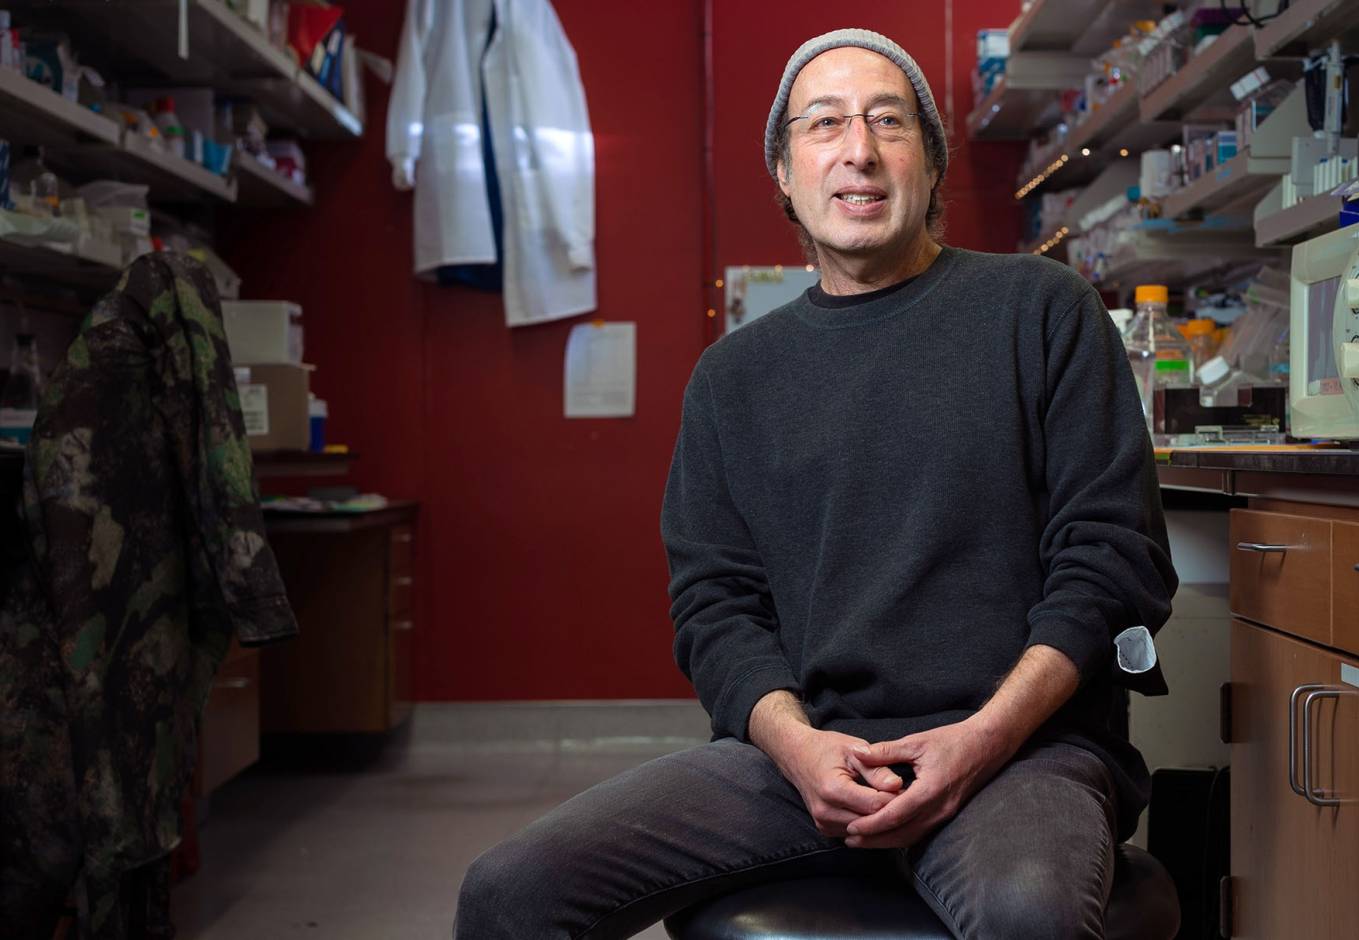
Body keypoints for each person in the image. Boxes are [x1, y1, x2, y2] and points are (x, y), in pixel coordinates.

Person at [454, 29, 1176, 939]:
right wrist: (798, 749)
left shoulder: (1040, 310)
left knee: (1029, 913)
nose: (859, 149)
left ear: (931, 165)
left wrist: (980, 739)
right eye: (823, 124)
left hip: (1019, 753)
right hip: (809, 755)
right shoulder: (733, 379)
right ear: (787, 177)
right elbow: (715, 607)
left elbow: (1113, 564)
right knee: (507, 895)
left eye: (888, 121)